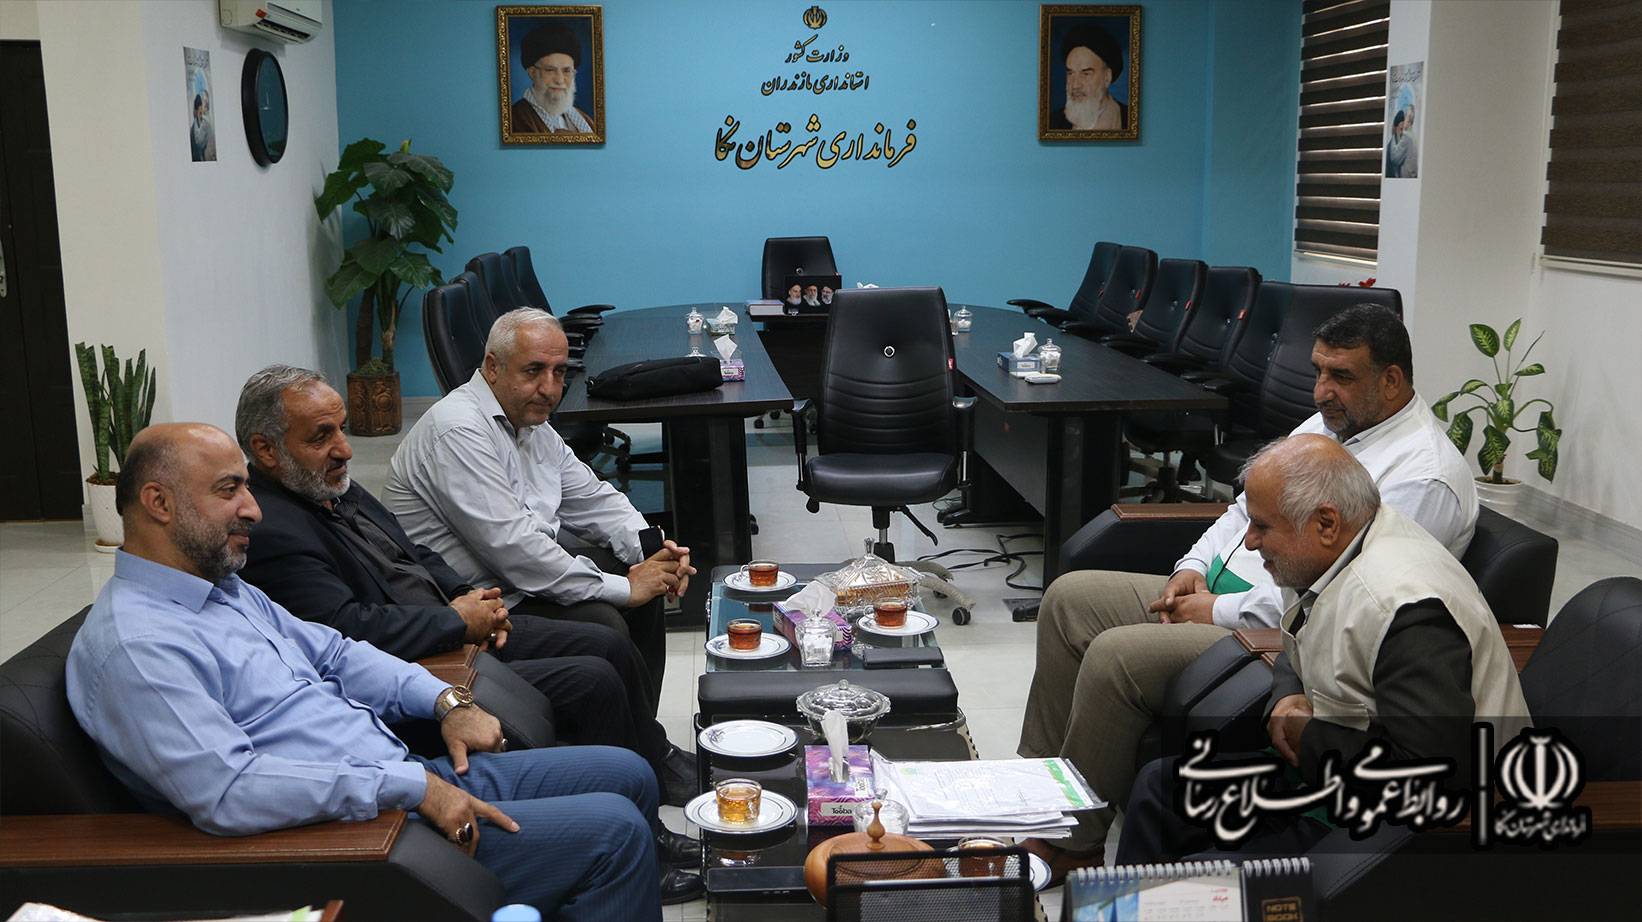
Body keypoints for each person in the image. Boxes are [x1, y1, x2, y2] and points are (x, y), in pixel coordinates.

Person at [66, 423, 667, 920]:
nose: (252, 508)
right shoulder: (140, 647)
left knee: (629, 773)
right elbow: (229, 789)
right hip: (357, 832)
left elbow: (334, 652)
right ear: (159, 503)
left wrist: (444, 702)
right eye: (229, 490)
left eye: (246, 487)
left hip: (397, 777)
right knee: (615, 833)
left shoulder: (221, 588)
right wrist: (411, 788)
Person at [1017, 303, 1477, 879]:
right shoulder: (1326, 428)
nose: (1321, 392)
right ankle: (1032, 792)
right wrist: (1191, 567)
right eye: (1318, 371)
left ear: (1390, 380)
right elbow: (1242, 512)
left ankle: (1072, 840)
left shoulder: (1423, 477)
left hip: (1263, 625)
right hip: (1238, 600)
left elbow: (1340, 600)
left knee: (1117, 656)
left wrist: (1216, 610)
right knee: (1069, 599)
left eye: (1341, 376)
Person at [233, 366, 703, 829]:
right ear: (266, 449)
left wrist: (470, 599)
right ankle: (643, 829)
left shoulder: (325, 484)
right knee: (594, 675)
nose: (345, 448)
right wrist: (457, 621)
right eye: (322, 436)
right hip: (426, 658)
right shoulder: (272, 530)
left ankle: (652, 758)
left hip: (452, 623)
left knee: (610, 643)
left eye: (341, 428)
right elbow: (345, 629)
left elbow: (413, 553)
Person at [1116, 435, 1531, 863]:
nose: (1250, 541)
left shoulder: (1406, 612)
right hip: (1330, 773)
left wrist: (1310, 736)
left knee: (1198, 881)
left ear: (1326, 523)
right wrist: (1289, 695)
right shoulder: (1326, 553)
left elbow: (1430, 772)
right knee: (1159, 790)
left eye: (1262, 526)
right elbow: (1298, 638)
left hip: (1396, 829)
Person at [384, 309, 694, 702]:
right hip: (475, 601)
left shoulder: (529, 421)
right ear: (492, 367)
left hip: (515, 578)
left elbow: (593, 498)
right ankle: (627, 733)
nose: (549, 388)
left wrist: (652, 550)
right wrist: (626, 587)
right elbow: (516, 550)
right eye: (533, 371)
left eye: (559, 372)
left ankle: (642, 729)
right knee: (605, 620)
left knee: (646, 588)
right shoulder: (458, 429)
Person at [511, 22, 593, 134]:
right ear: (532, 73)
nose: (559, 80)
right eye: (550, 70)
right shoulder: (516, 118)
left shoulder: (585, 121)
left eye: (566, 71)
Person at [1049, 24, 1127, 131]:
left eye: (1085, 74)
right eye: (1070, 73)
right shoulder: (1053, 122)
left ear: (1107, 77)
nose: (1075, 85)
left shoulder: (1127, 119)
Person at [1385, 110, 1411, 178]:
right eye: (1401, 129)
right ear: (1395, 128)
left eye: (1405, 129)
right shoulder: (1390, 148)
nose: (1403, 133)